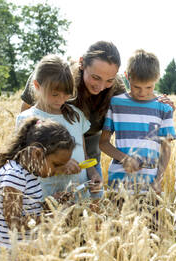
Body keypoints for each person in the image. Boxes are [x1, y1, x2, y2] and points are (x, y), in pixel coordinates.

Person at [20, 41, 126, 178]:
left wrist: (158, 102)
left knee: (90, 191)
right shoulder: (60, 77)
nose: (101, 87)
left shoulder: (117, 89)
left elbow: (136, 107)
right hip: (51, 148)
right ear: (82, 63)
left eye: (109, 80)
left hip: (90, 150)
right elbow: (26, 110)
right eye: (95, 78)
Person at [0, 117, 75, 261]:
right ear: (36, 153)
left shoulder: (27, 174)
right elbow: (14, 222)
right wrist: (51, 216)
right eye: (56, 164)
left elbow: (28, 211)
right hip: (7, 259)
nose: (57, 171)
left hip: (23, 254)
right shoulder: (14, 176)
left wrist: (51, 204)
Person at [17, 55, 102, 199]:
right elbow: (26, 164)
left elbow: (84, 154)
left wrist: (93, 173)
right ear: (37, 86)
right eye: (55, 94)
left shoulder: (75, 116)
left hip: (79, 195)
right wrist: (60, 167)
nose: (61, 99)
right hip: (47, 196)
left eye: (66, 94)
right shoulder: (27, 119)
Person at [99, 49, 176, 194]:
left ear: (157, 78)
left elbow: (166, 148)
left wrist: (158, 179)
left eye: (149, 87)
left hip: (150, 185)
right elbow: (103, 143)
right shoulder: (116, 104)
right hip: (119, 183)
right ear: (127, 77)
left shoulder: (164, 108)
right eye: (136, 87)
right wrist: (124, 159)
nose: (142, 92)